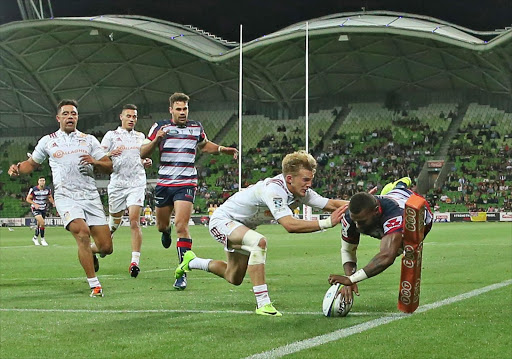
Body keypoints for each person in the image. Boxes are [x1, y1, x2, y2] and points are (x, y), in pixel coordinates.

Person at [174, 150, 348, 316]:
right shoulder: (274, 190)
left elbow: (331, 204)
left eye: (310, 179)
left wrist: (366, 202)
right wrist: (327, 222)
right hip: (222, 221)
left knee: (233, 277)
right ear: (289, 178)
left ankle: (192, 261)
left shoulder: (299, 191)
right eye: (305, 179)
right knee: (259, 242)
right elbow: (289, 225)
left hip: (242, 226)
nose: (309, 184)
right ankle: (263, 303)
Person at [8, 99, 113, 297]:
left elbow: (109, 166)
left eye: (73, 113)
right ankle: (95, 285)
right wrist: (18, 169)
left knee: (106, 248)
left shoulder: (89, 140)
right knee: (82, 234)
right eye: (65, 114)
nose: (69, 117)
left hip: (90, 197)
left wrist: (95, 161)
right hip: (66, 196)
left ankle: (92, 252)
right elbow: (31, 163)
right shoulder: (48, 141)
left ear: (77, 117)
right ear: (58, 118)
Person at [140, 92, 238, 290]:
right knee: (161, 225)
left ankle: (182, 272)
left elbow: (204, 146)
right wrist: (156, 140)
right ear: (171, 110)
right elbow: (142, 152)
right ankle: (164, 230)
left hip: (186, 183)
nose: (182, 112)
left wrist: (223, 150)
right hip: (165, 183)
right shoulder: (160, 127)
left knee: (182, 225)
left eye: (185, 109)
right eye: (178, 109)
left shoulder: (196, 127)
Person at [327, 178, 433, 304]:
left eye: (361, 222)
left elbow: (387, 256)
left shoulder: (395, 214)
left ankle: (403, 182)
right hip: (391, 196)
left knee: (402, 247)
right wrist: (349, 278)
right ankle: (397, 185)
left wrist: (352, 280)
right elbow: (347, 249)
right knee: (398, 188)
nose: (357, 226)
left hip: (418, 216)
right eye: (355, 221)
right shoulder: (350, 217)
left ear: (376, 211)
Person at [101, 104, 152, 278]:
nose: (132, 119)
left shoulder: (140, 137)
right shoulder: (111, 135)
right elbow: (99, 157)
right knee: (112, 226)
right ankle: (97, 248)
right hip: (117, 184)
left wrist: (145, 161)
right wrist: (110, 154)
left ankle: (134, 262)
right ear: (121, 117)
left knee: (134, 220)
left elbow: (143, 155)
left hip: (136, 182)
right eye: (128, 116)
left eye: (134, 117)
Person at [26, 176, 55, 246]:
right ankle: (42, 239)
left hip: (43, 208)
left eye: (43, 180)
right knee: (42, 222)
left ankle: (35, 237)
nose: (42, 182)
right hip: (36, 208)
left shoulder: (47, 189)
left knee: (39, 224)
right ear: (38, 182)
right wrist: (34, 204)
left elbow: (50, 197)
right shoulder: (34, 189)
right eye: (41, 180)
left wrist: (53, 202)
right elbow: (28, 199)